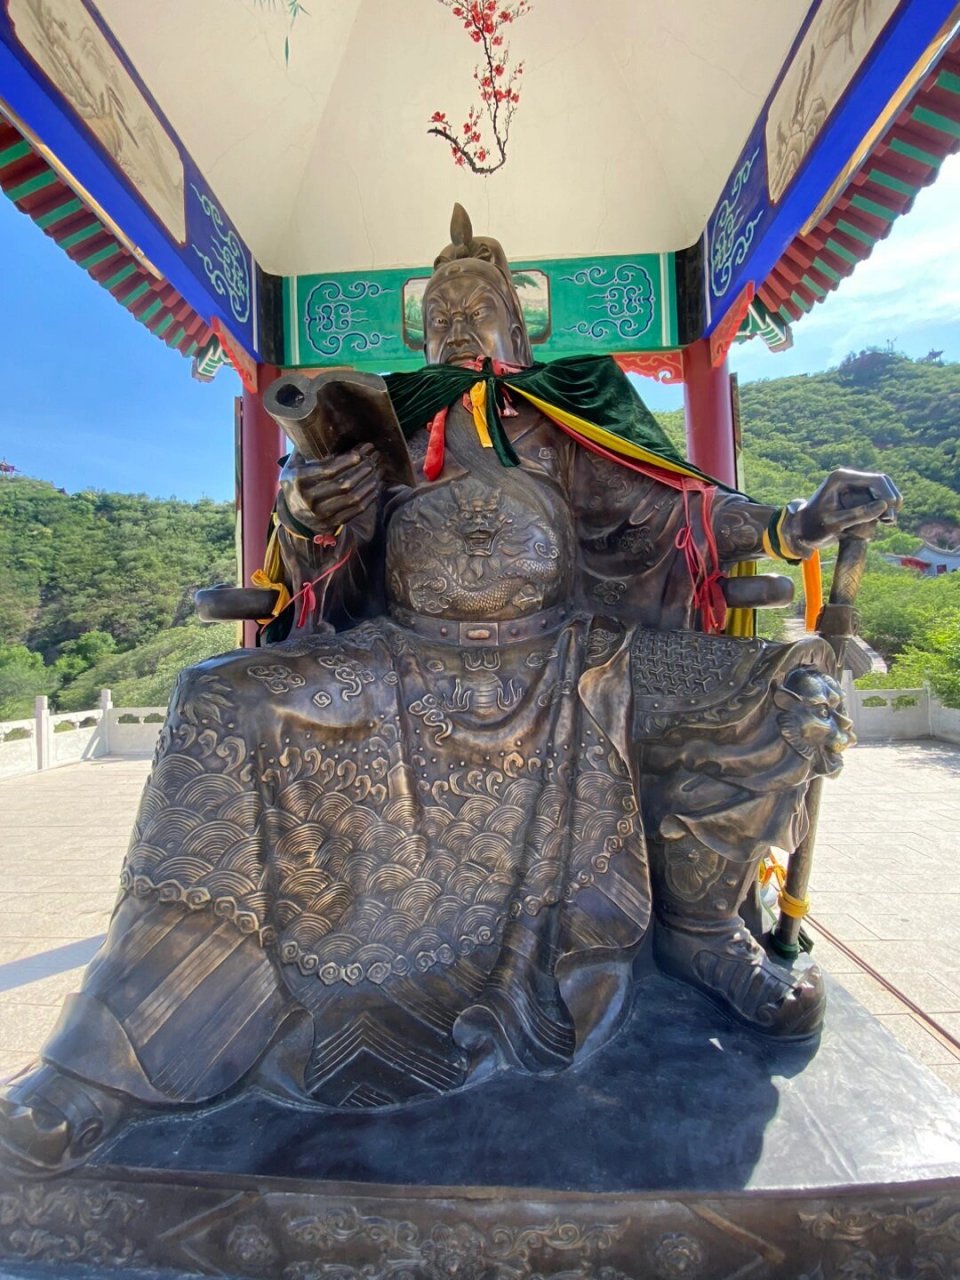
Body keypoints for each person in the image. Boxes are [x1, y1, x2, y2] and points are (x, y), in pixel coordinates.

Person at [0, 208, 899, 1171]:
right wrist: (307, 509)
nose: (459, 323)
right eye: (441, 311)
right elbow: (317, 562)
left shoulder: (572, 407)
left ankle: (702, 926)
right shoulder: (387, 420)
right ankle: (119, 1050)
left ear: (520, 323)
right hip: (398, 660)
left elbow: (676, 510)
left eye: (479, 305)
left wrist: (799, 524)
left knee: (784, 691)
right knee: (218, 701)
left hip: (577, 658)